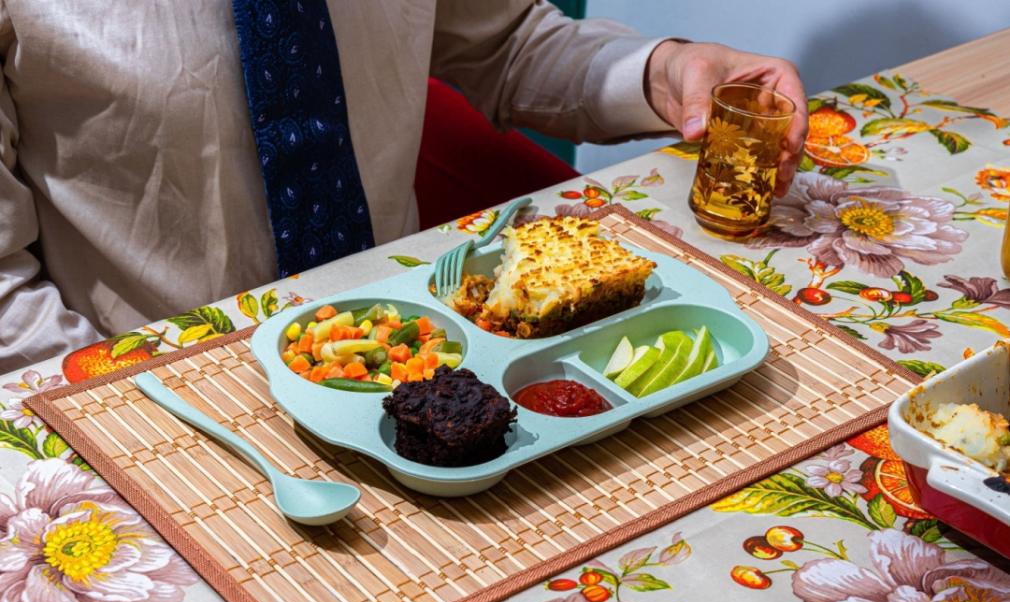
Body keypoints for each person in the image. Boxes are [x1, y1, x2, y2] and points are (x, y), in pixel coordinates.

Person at [0, 1, 807, 372]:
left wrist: (667, 71)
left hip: (419, 348)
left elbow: (509, 43)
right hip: (158, 378)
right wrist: (123, 412)